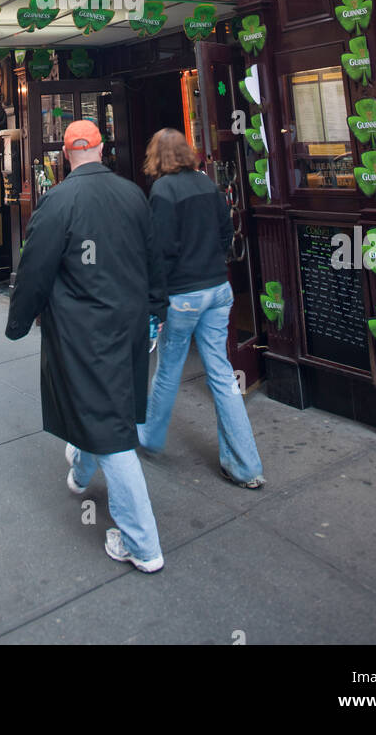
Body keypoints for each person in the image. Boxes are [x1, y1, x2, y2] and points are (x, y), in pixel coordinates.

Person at [6, 120, 167, 573]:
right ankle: (79, 472)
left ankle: (143, 544)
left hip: (84, 331)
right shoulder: (133, 194)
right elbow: (154, 259)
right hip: (129, 325)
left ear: (64, 154)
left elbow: (34, 269)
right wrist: (156, 313)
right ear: (101, 148)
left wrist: (19, 321)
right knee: (107, 409)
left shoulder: (58, 201)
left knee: (111, 430)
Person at [138, 129, 265, 488]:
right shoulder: (207, 183)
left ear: (157, 157)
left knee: (167, 371)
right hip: (218, 290)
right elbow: (227, 233)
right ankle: (246, 466)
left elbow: (159, 252)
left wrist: (156, 304)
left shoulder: (162, 191)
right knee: (223, 376)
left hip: (183, 295)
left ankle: (150, 437)